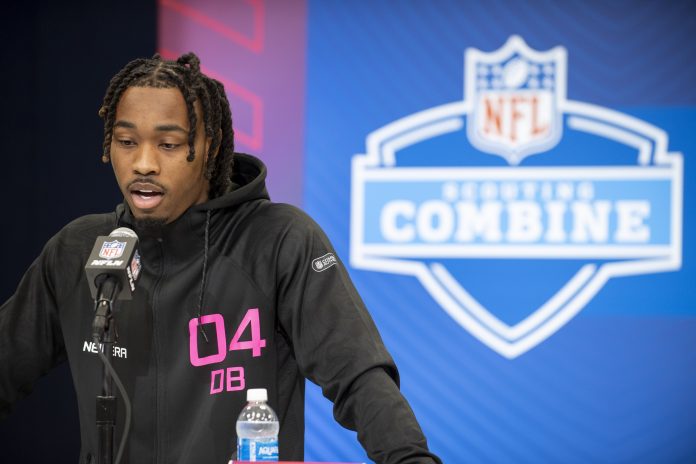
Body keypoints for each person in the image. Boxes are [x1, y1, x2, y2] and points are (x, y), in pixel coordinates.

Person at [0, 52, 441, 464]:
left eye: (168, 145)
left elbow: (359, 376)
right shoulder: (78, 250)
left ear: (208, 147)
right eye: (126, 141)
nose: (143, 164)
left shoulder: (279, 240)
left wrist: (409, 458)